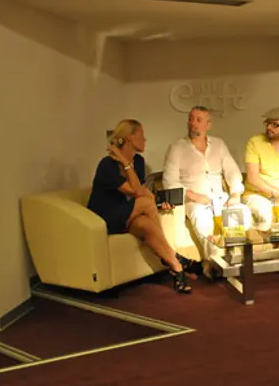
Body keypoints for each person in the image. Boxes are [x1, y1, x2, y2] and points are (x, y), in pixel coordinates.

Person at [87, 119, 191, 294]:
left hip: (126, 213)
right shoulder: (107, 165)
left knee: (146, 225)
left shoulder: (139, 161)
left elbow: (142, 190)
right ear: (129, 138)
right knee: (145, 202)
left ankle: (175, 267)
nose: (145, 140)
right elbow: (136, 192)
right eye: (141, 135)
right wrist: (125, 163)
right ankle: (173, 257)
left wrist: (159, 202)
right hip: (104, 217)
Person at [162, 106, 252, 271]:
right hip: (195, 201)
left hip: (220, 198)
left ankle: (236, 260)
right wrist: (194, 196)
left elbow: (232, 170)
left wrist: (235, 193)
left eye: (198, 120)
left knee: (242, 213)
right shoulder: (176, 148)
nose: (193, 123)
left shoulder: (218, 144)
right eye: (191, 119)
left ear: (208, 125)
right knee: (203, 222)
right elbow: (169, 182)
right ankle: (216, 264)